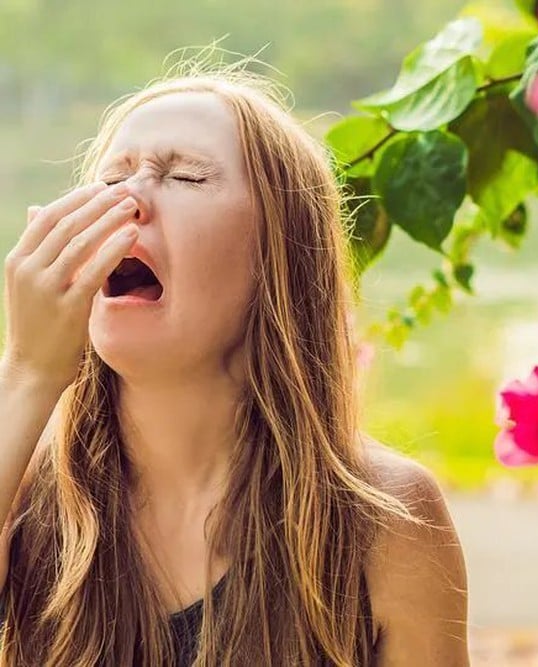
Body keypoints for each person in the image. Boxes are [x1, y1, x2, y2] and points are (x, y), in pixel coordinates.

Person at [0, 57, 469, 666]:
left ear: (280, 260)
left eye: (187, 177)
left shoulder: (384, 519)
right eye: (110, 180)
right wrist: (29, 370)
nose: (125, 204)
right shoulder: (25, 485)